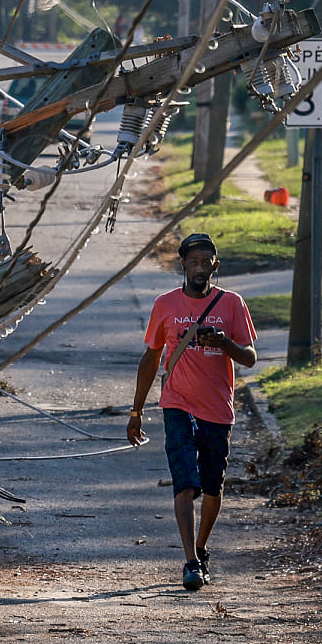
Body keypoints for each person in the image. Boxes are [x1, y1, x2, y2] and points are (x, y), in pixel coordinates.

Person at [127, 232, 258, 591]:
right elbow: (152, 356)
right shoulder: (165, 305)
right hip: (177, 403)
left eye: (206, 262)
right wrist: (136, 411)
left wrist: (224, 342)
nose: (200, 268)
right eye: (193, 262)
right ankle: (190, 561)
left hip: (217, 407)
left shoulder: (232, 304)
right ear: (182, 264)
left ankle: (202, 549)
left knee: (213, 486)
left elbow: (249, 357)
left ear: (216, 266)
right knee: (185, 483)